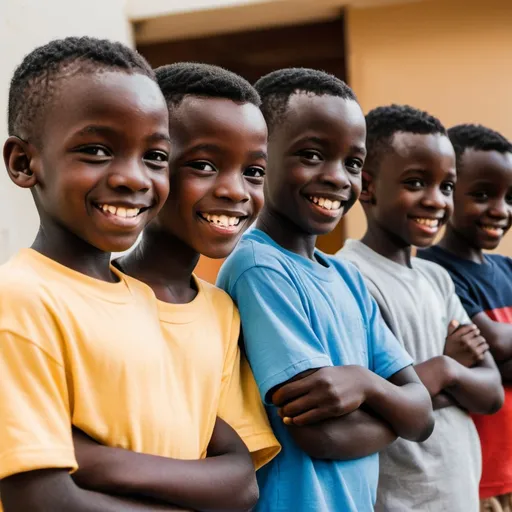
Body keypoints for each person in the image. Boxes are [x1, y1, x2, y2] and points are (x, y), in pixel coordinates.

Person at [0, 38, 257, 512]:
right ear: (23, 162)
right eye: (97, 150)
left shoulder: (154, 304)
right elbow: (41, 500)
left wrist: (87, 460)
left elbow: (240, 483)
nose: (135, 178)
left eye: (155, 157)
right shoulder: (21, 300)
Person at [217, 68, 434, 512]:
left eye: (352, 162)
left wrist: (366, 386)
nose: (338, 177)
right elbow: (322, 435)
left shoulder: (347, 279)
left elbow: (423, 415)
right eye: (312, 155)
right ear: (261, 157)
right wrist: (393, 410)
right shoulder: (259, 268)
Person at [73, 62, 280, 490]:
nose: (236, 190)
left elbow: (240, 482)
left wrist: (93, 461)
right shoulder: (81, 300)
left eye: (254, 172)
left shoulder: (221, 312)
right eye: (203, 165)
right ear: (153, 162)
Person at [339, 104, 504, 511]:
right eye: (416, 183)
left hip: (461, 493)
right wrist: (452, 372)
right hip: (401, 500)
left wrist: (441, 371)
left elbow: (491, 393)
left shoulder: (437, 278)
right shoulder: (348, 277)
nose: (436, 201)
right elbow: (368, 406)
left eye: (446, 187)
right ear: (367, 186)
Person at [419, 123, 512, 512]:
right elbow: (495, 344)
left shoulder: (507, 268)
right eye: (483, 194)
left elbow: (495, 354)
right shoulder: (434, 272)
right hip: (478, 479)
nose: (501, 210)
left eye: (510, 197)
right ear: (448, 189)